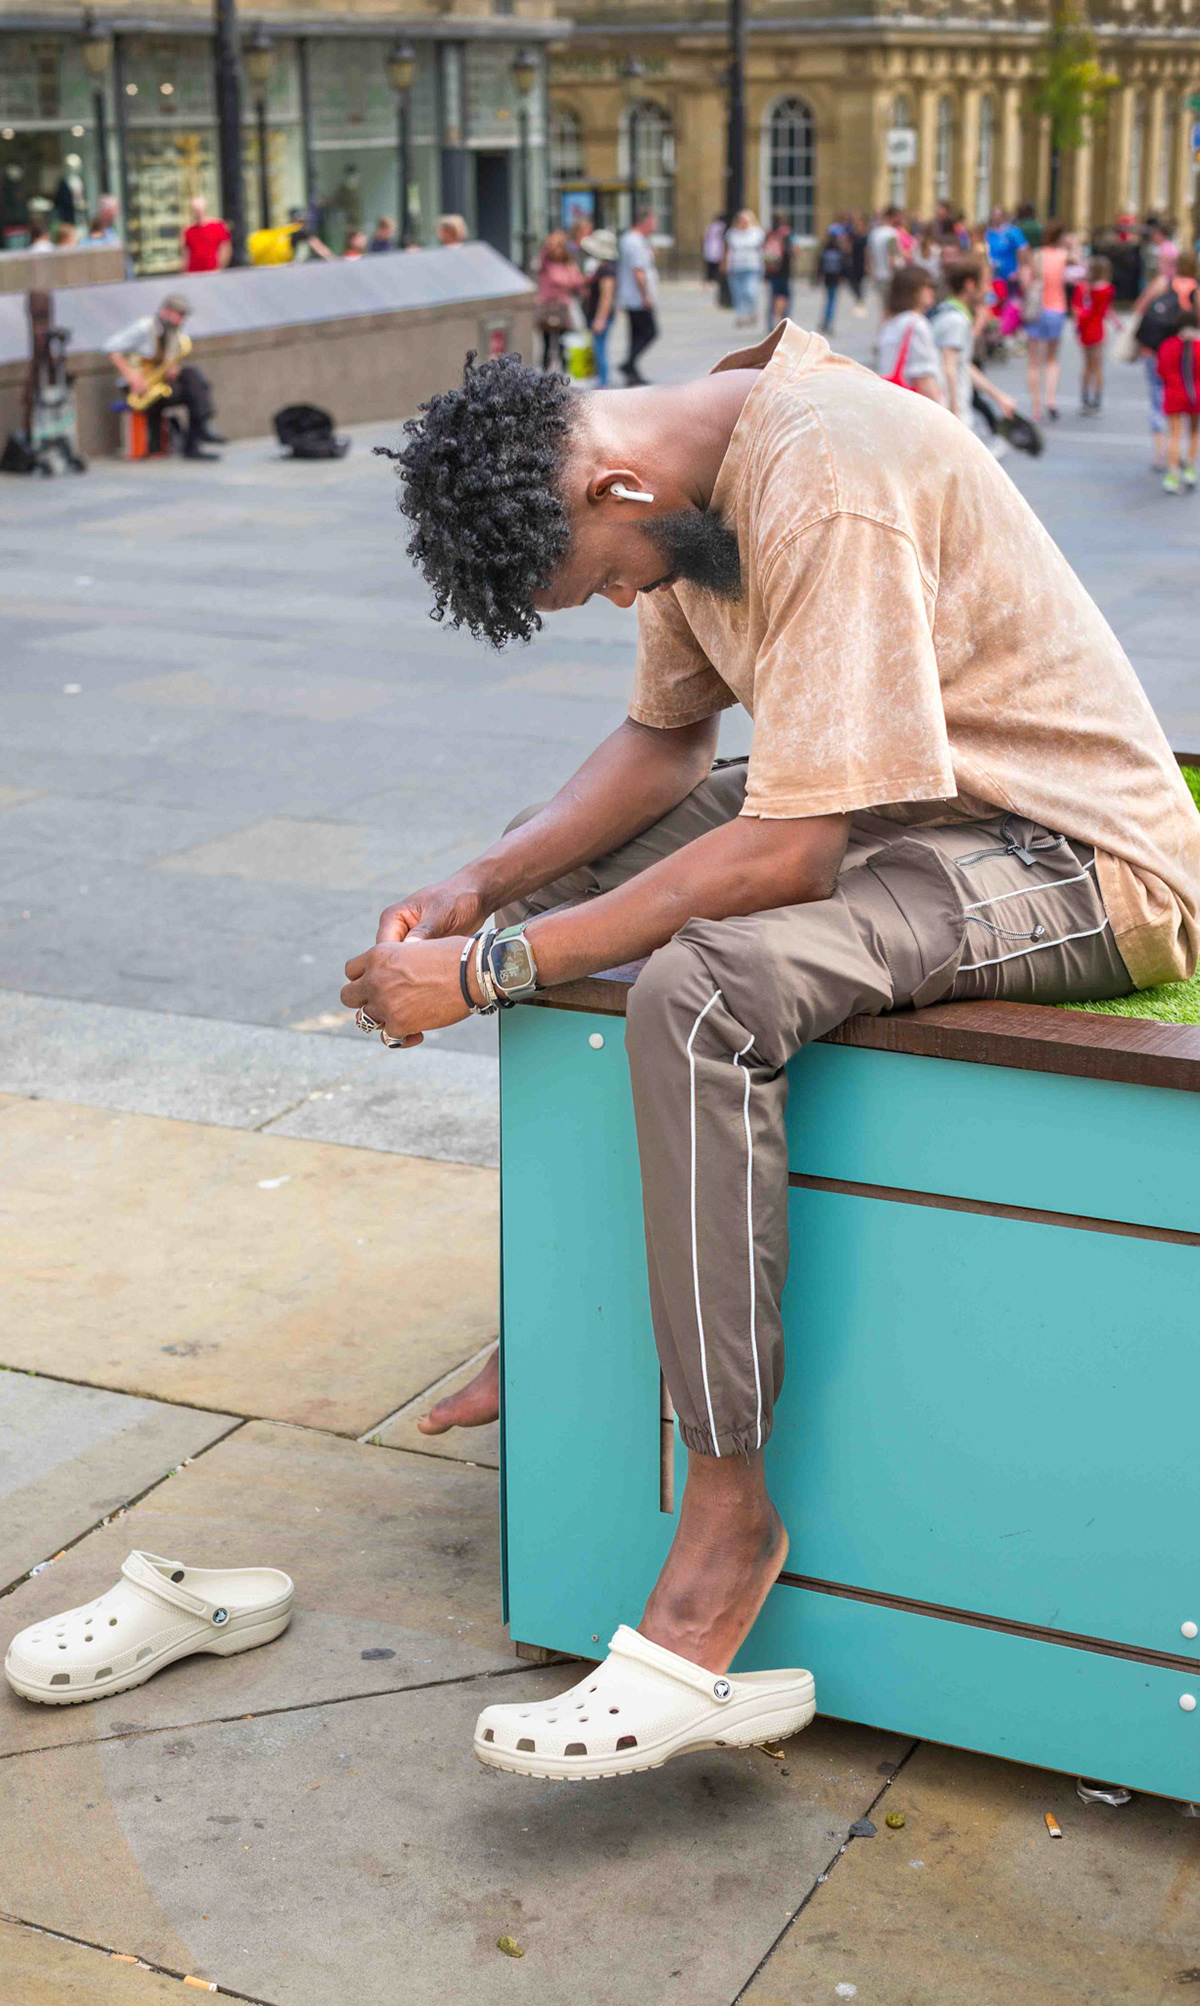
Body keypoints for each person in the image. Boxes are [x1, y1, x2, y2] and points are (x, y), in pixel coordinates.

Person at [356, 325, 1200, 1777]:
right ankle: (580, 1306)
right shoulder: (681, 478)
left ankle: (725, 1515)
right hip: (912, 801)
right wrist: (488, 890)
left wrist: (487, 969)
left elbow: (786, 850)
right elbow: (663, 748)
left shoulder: (828, 477)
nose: (627, 591)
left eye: (609, 574)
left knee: (703, 986)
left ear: (615, 482)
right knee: (571, 888)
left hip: (1072, 857)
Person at [102, 293, 224, 461]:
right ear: (166, 311)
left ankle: (199, 433)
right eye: (180, 315)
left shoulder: (175, 333)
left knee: (194, 379)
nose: (182, 320)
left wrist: (171, 369)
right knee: (194, 384)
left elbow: (167, 363)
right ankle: (201, 431)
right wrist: (131, 375)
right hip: (137, 388)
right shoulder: (144, 326)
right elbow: (110, 347)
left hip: (158, 385)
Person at [1130, 248, 1198, 471]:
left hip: (1158, 351)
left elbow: (1139, 308)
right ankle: (1185, 453)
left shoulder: (1162, 283)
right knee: (1189, 399)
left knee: (1158, 397)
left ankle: (1161, 450)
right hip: (1187, 352)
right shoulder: (1195, 289)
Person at [930, 257, 1017, 432]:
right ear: (970, 285)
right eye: (985, 283)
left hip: (949, 411)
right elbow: (950, 367)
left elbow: (963, 365)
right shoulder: (955, 320)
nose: (989, 289)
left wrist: (998, 397)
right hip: (951, 413)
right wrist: (954, 412)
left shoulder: (950, 313)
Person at [876, 264, 945, 401]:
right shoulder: (917, 324)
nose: (932, 291)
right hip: (917, 404)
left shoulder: (890, 322)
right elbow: (923, 377)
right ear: (913, 291)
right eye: (927, 286)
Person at [1024, 221, 1068, 422]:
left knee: (1033, 361)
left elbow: (1028, 281)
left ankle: (1035, 407)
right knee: (1052, 359)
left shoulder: (1037, 255)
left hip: (1037, 309)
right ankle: (1050, 399)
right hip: (1057, 309)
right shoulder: (1064, 257)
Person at [1157, 299, 1200, 493]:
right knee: (1193, 432)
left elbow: (1161, 370)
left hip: (1174, 393)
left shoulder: (1168, 345)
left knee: (1174, 435)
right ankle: (1190, 468)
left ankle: (1172, 474)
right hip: (1195, 395)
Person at [616, 210, 659, 385]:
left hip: (633, 296)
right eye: (653, 221)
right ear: (644, 222)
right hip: (636, 297)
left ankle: (631, 371)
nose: (655, 225)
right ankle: (628, 364)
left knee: (635, 335)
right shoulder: (633, 241)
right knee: (650, 332)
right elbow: (638, 271)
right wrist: (645, 295)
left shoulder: (635, 240)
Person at [1073, 255, 1118, 416]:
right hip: (1098, 328)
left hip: (1086, 328)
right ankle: (1097, 399)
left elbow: (1078, 309)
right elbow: (1107, 310)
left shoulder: (1085, 288)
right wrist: (1117, 323)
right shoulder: (1107, 289)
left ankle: (1085, 398)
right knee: (1098, 366)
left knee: (1086, 365)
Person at [535, 228, 585, 372]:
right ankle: (544, 376)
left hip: (563, 309)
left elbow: (577, 282)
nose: (555, 250)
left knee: (563, 345)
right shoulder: (545, 264)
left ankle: (564, 376)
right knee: (546, 346)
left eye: (558, 246)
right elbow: (543, 253)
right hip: (547, 308)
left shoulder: (569, 264)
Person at [580, 227, 618, 389]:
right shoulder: (601, 267)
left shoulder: (606, 270)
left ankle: (603, 382)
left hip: (601, 316)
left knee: (600, 350)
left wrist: (600, 319)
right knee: (598, 349)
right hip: (596, 314)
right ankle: (601, 380)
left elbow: (607, 296)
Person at [722, 208, 765, 327]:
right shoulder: (732, 233)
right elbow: (727, 250)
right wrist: (724, 263)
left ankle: (752, 312)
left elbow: (762, 249)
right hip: (735, 267)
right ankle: (741, 316)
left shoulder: (757, 233)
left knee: (750, 292)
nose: (743, 222)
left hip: (752, 266)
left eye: (746, 220)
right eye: (741, 220)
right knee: (738, 293)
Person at [182, 195, 231, 274]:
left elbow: (225, 248)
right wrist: (185, 271)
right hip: (194, 273)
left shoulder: (218, 226)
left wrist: (220, 267)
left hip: (213, 272)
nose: (197, 213)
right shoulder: (188, 231)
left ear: (205, 209)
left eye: (199, 210)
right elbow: (186, 253)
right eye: (195, 210)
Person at [866, 207, 901, 315]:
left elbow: (868, 254)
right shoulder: (891, 233)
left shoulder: (874, 233)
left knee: (883, 309)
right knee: (892, 309)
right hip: (889, 275)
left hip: (877, 274)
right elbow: (892, 255)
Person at [762, 214, 792, 329]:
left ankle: (770, 325)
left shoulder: (769, 234)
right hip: (784, 271)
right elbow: (791, 251)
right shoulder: (786, 233)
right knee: (784, 297)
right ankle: (784, 324)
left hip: (771, 271)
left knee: (772, 298)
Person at [985, 205, 1025, 288]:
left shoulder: (1013, 232)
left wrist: (1018, 271)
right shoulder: (988, 233)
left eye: (999, 215)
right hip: (994, 276)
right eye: (994, 215)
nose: (996, 218)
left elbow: (1023, 252)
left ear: (1004, 217)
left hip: (1011, 276)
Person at [816, 227, 845, 335]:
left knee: (828, 300)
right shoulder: (839, 249)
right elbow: (843, 266)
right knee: (832, 301)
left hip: (827, 278)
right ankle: (829, 322)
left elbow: (820, 264)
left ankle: (825, 321)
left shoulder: (825, 248)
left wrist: (817, 279)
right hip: (835, 278)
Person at [703, 214, 726, 283]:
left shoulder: (711, 225)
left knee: (711, 265)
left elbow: (704, 236)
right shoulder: (722, 226)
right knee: (716, 264)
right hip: (717, 246)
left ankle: (710, 277)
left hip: (710, 246)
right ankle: (715, 277)